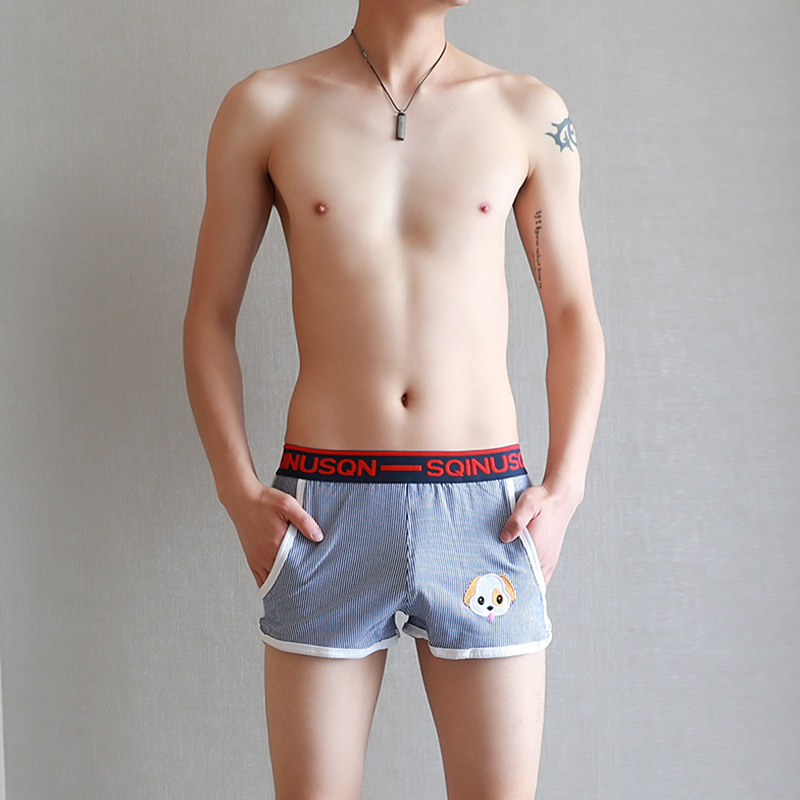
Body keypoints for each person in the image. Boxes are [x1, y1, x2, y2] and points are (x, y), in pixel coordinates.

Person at [183, 0, 605, 796]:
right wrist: (237, 491)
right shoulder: (267, 105)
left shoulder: (527, 112)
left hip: (485, 510)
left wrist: (567, 487)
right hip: (325, 507)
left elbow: (573, 314)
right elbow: (209, 317)